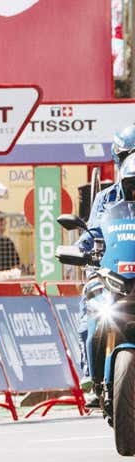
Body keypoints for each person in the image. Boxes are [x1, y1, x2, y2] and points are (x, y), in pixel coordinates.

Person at [76, 124, 135, 383]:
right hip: (112, 272)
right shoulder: (105, 198)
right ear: (117, 159)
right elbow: (91, 232)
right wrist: (82, 248)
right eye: (127, 156)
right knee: (89, 301)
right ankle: (89, 370)